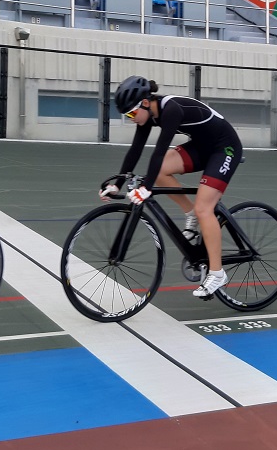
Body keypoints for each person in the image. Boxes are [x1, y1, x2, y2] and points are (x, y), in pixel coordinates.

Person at [102, 75, 242, 299]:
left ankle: (217, 273)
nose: (130, 119)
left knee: (205, 208)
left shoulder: (171, 109)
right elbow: (136, 150)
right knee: (161, 172)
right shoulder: (148, 115)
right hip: (202, 146)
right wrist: (116, 183)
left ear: (145, 103)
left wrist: (145, 188)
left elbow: (158, 151)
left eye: (131, 113)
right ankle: (191, 214)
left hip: (224, 148)